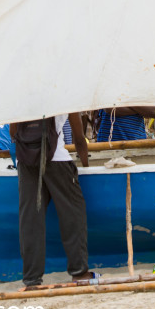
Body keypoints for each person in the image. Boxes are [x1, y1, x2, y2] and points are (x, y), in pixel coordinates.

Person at [12, 113, 93, 288]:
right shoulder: (63, 92)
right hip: (57, 159)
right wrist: (85, 165)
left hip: (26, 162)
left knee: (30, 219)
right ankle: (80, 272)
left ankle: (32, 279)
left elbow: (13, 132)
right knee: (73, 214)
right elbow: (79, 138)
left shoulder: (22, 93)